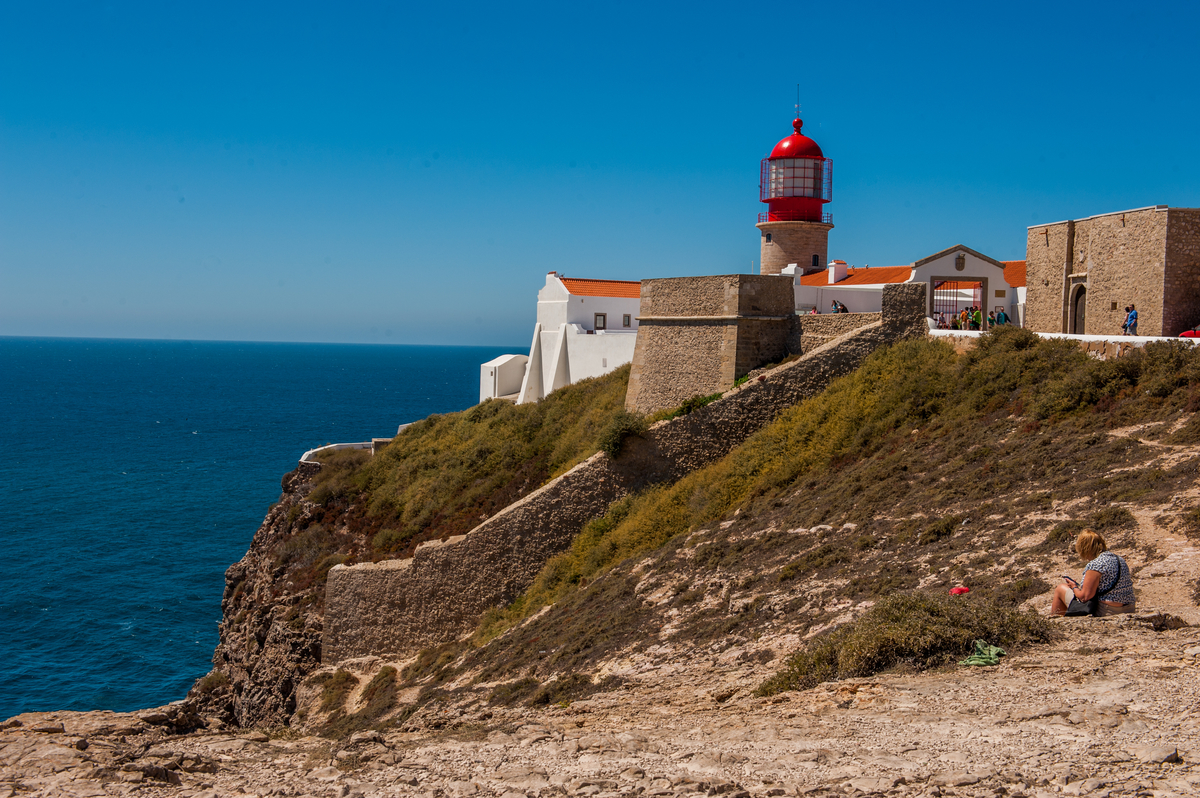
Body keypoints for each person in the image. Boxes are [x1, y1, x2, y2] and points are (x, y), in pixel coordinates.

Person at [1050, 529, 1135, 616]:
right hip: (1129, 608)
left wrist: (1074, 586)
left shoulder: (1096, 565)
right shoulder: (1119, 559)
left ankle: (1057, 623)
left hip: (1107, 610)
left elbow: (1084, 597)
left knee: (1060, 589)